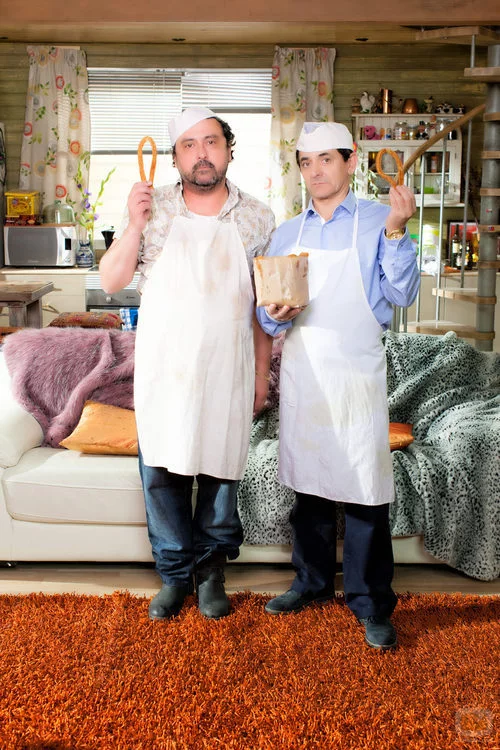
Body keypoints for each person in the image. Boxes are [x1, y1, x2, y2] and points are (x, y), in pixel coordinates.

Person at [100, 107, 275, 621]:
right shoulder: (151, 207)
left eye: (212, 142)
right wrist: (133, 225)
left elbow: (264, 309)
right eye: (190, 145)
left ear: (229, 149)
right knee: (162, 473)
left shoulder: (258, 217)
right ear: (175, 157)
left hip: (228, 368)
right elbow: (111, 281)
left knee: (221, 472)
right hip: (165, 371)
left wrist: (261, 374)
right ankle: (175, 576)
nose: (202, 153)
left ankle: (211, 572)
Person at [257, 122, 420, 649]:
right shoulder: (287, 234)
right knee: (309, 485)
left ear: (350, 162)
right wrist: (275, 315)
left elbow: (403, 295)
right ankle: (310, 583)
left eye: (326, 159)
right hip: (304, 372)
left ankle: (371, 603)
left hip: (356, 373)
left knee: (365, 490)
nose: (315, 171)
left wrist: (397, 230)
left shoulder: (380, 219)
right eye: (306, 162)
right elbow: (267, 318)